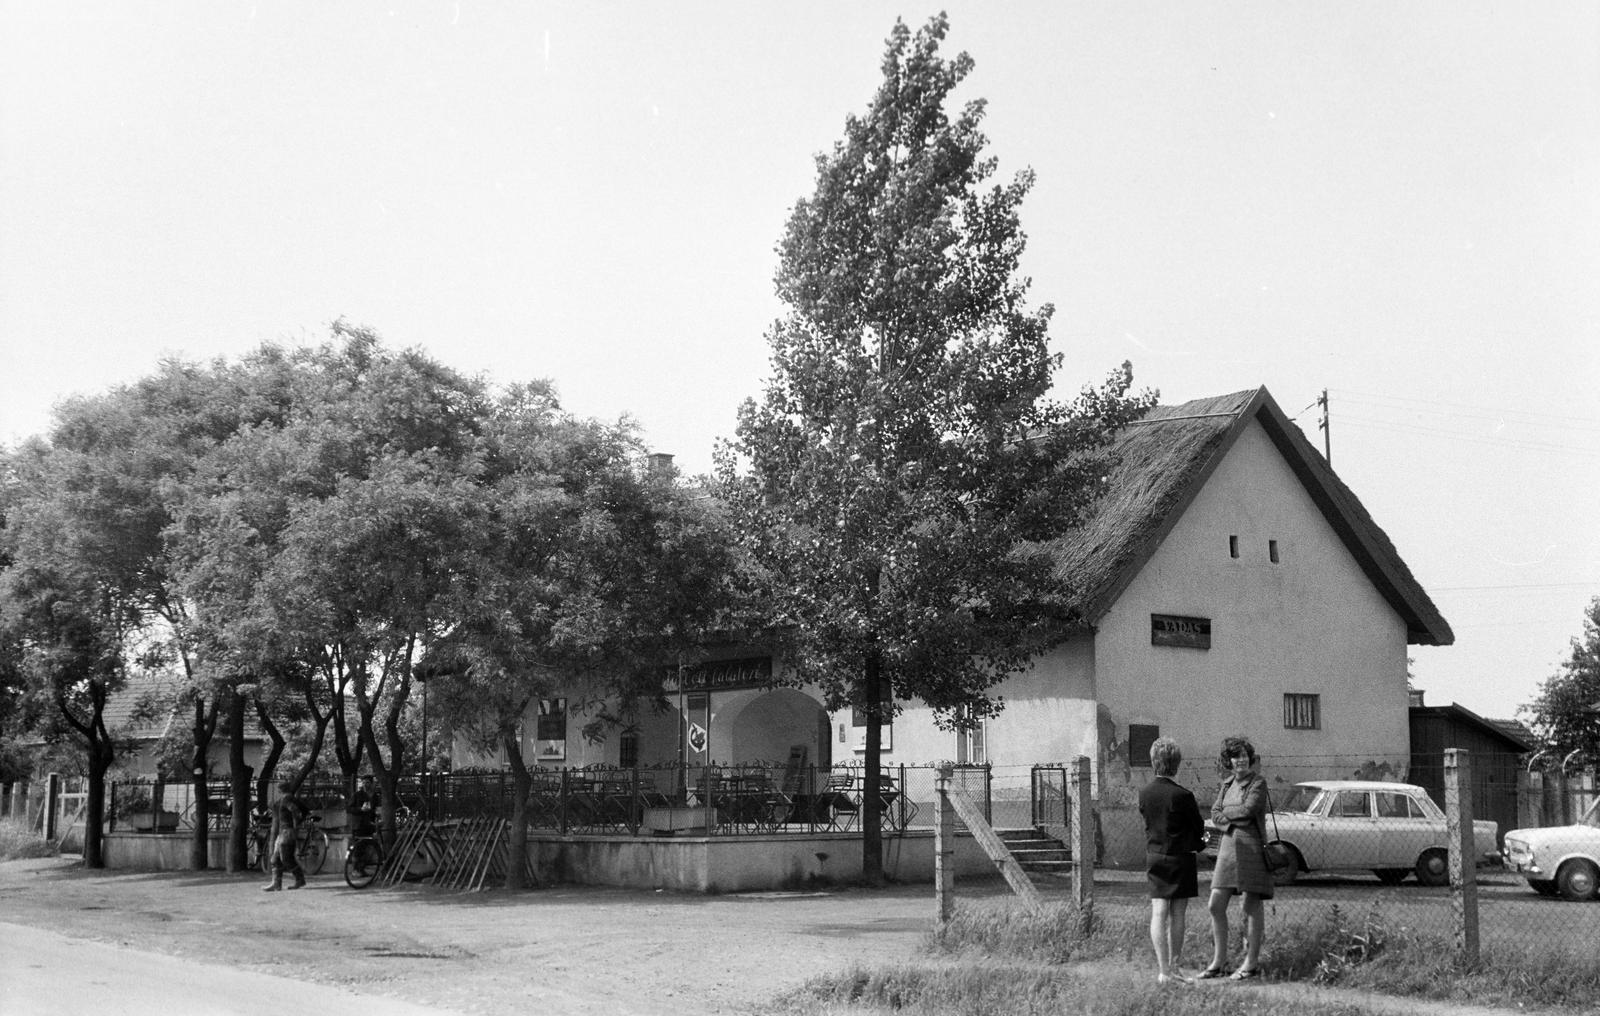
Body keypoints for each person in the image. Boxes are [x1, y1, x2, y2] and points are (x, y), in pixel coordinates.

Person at [1201, 735, 1272, 980]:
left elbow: (1248, 810)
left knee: (1249, 905)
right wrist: (1229, 822)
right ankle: (1219, 962)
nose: (1241, 760)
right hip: (1228, 848)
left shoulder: (1258, 783)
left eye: (1244, 755)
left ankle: (1250, 964)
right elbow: (1214, 812)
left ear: (1249, 758)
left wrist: (1226, 816)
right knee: (1215, 904)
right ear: (1228, 760)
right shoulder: (1226, 784)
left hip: (1250, 848)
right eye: (1235, 756)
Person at [1139, 736, 1206, 985]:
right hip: (1180, 858)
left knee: (1158, 912)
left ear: (1153, 762)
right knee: (1178, 914)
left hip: (1155, 856)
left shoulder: (1144, 794)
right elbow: (1197, 828)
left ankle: (1163, 972)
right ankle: (1176, 969)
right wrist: (1198, 843)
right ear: (1176, 764)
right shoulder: (1183, 795)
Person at [262, 780, 310, 892]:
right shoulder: (291, 798)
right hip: (285, 832)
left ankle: (299, 879)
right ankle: (276, 884)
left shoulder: (286, 799)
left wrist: (295, 823)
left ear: (280, 790)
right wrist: (299, 821)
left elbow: (294, 810)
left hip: (286, 832)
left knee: (286, 859)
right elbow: (305, 810)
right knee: (276, 858)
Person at [350, 775, 379, 839]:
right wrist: (361, 809)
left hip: (371, 826)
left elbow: (377, 809)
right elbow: (350, 809)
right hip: (358, 826)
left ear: (371, 784)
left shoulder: (375, 796)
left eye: (367, 782)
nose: (365, 785)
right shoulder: (357, 795)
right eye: (363, 783)